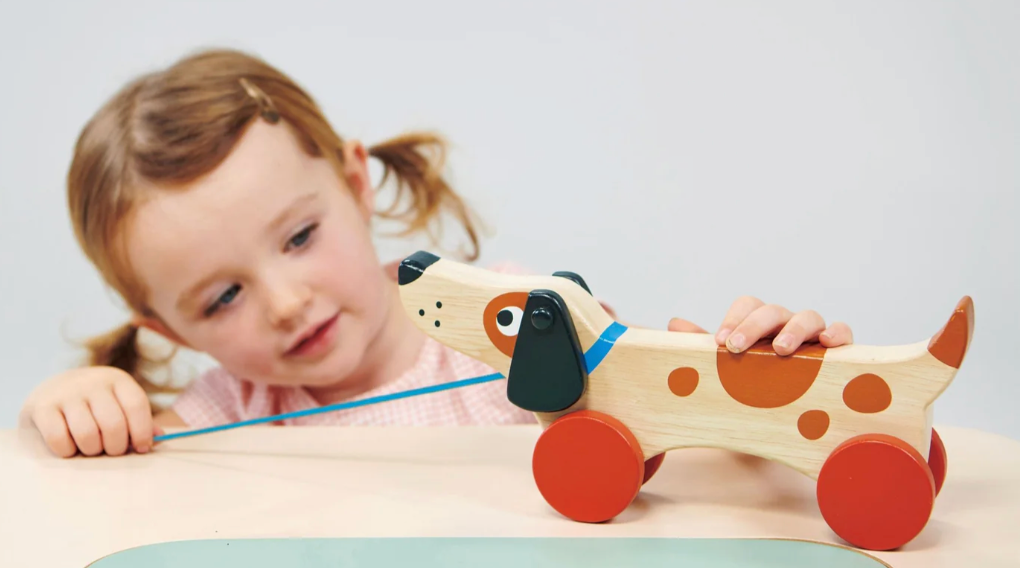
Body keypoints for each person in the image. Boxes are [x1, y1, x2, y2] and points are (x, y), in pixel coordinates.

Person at [18, 48, 854, 459]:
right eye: (220, 297)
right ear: (162, 324)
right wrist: (68, 415)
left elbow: (676, 425)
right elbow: (94, 495)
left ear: (354, 183)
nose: (284, 301)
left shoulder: (514, 320)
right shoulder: (222, 410)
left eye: (300, 237)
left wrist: (757, 376)